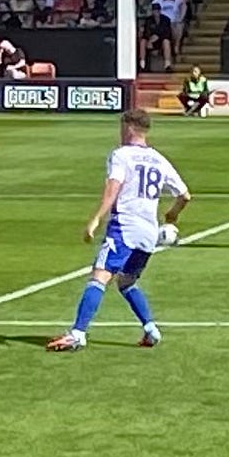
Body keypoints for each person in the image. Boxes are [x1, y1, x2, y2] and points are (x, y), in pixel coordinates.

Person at [48, 109, 191, 353]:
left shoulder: (121, 155)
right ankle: (151, 329)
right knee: (126, 282)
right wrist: (172, 215)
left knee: (99, 276)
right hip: (149, 232)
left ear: (129, 128)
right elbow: (185, 195)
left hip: (125, 225)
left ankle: (78, 334)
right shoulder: (159, 159)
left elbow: (113, 189)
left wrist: (95, 219)